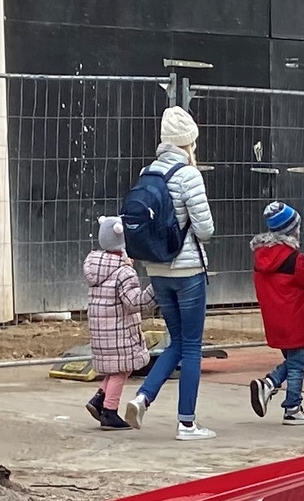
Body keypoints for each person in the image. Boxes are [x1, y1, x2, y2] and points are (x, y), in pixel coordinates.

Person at [121, 106, 216, 441]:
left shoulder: (149, 171)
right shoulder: (189, 175)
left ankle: (142, 397)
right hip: (187, 269)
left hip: (157, 269)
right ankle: (187, 423)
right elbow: (205, 229)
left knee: (177, 341)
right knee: (192, 346)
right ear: (189, 142)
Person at [248, 202, 304, 422]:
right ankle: (292, 407)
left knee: (293, 361)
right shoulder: (294, 259)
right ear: (293, 229)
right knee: (297, 365)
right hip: (295, 318)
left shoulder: (262, 256)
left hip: (274, 319)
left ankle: (269, 384)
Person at [83, 216, 151, 429]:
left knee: (117, 368)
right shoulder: (124, 271)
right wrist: (154, 290)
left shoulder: (97, 267)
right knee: (121, 370)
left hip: (102, 329)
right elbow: (133, 302)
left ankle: (99, 399)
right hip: (120, 329)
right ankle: (110, 412)